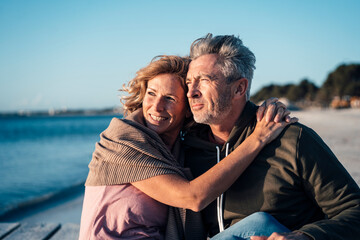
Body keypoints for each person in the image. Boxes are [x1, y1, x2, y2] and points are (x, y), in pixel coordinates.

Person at [79, 55, 296, 239]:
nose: (157, 106)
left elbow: (228, 125)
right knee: (260, 225)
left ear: (189, 107)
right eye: (151, 93)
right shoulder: (121, 140)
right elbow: (192, 197)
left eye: (170, 98)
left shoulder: (179, 150)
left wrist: (268, 110)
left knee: (260, 227)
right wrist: (259, 137)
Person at [183, 33, 360, 240]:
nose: (191, 92)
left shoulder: (291, 139)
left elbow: (354, 211)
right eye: (188, 83)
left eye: (204, 80)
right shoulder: (187, 148)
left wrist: (303, 237)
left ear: (239, 88)